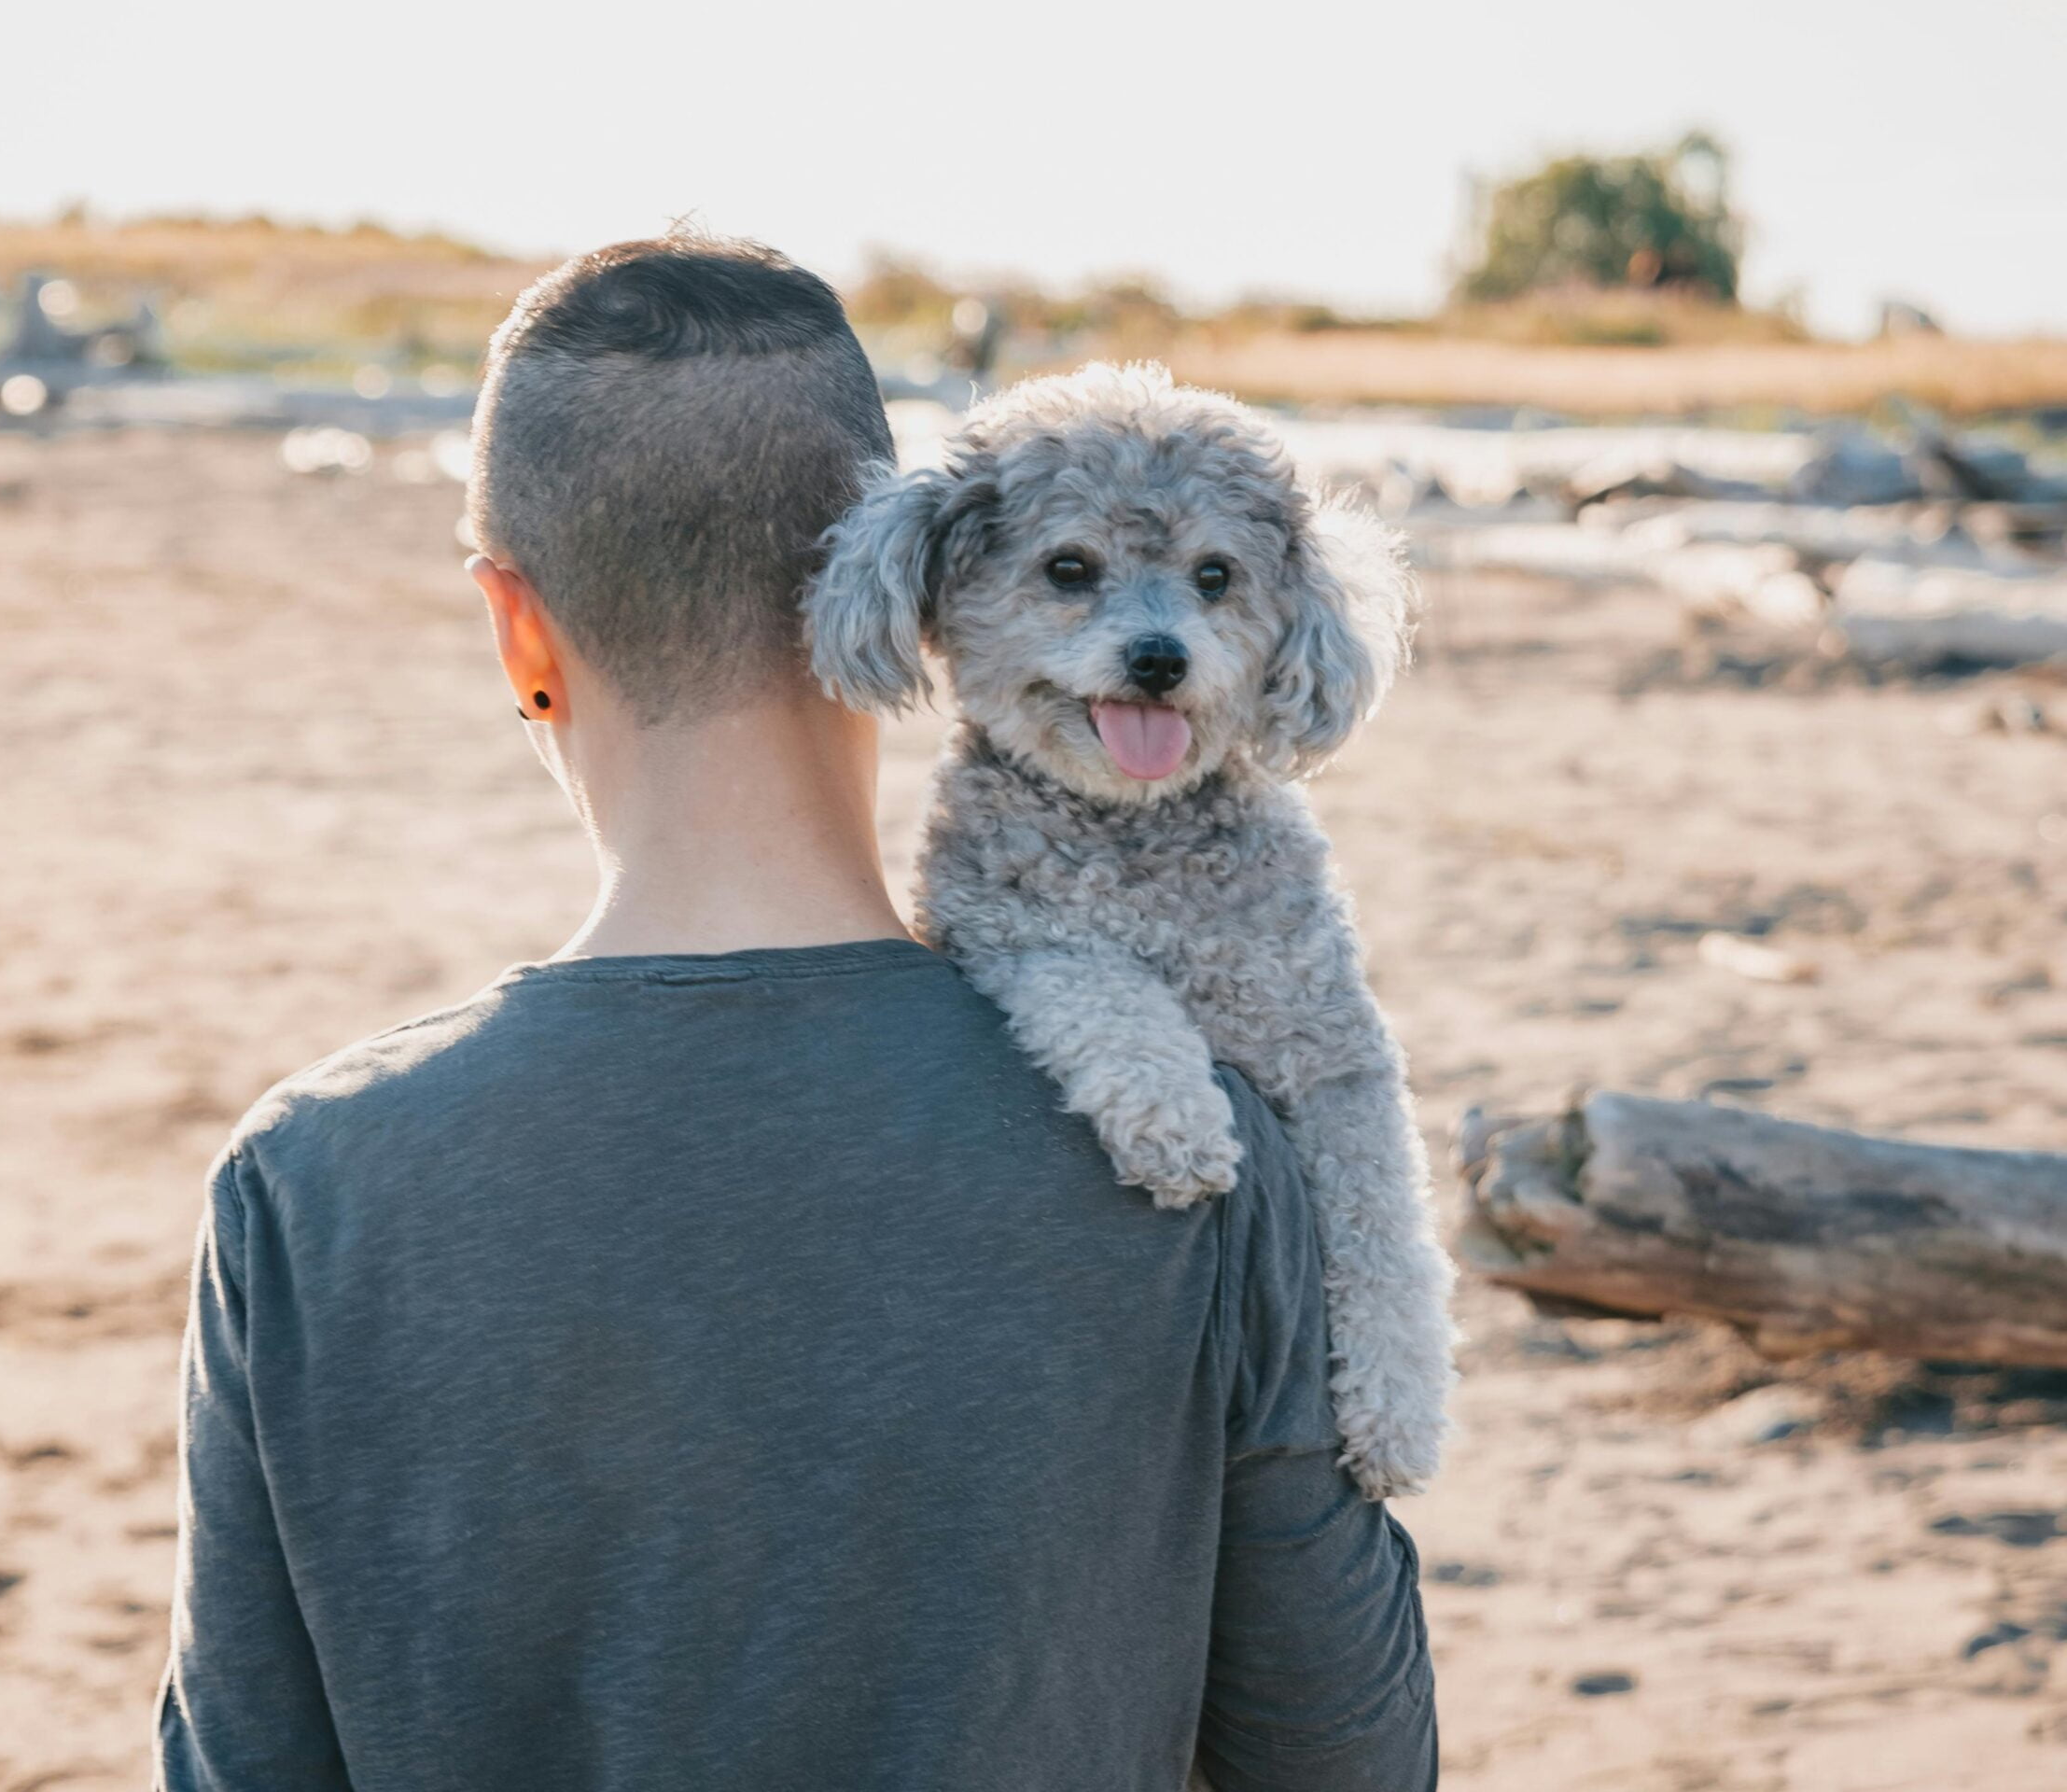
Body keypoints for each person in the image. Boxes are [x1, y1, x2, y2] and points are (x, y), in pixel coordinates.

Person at [153, 234, 1435, 1792]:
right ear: (923, 594)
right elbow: (1350, 1761)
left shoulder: (303, 1192)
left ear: (519, 629)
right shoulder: (1212, 1151)